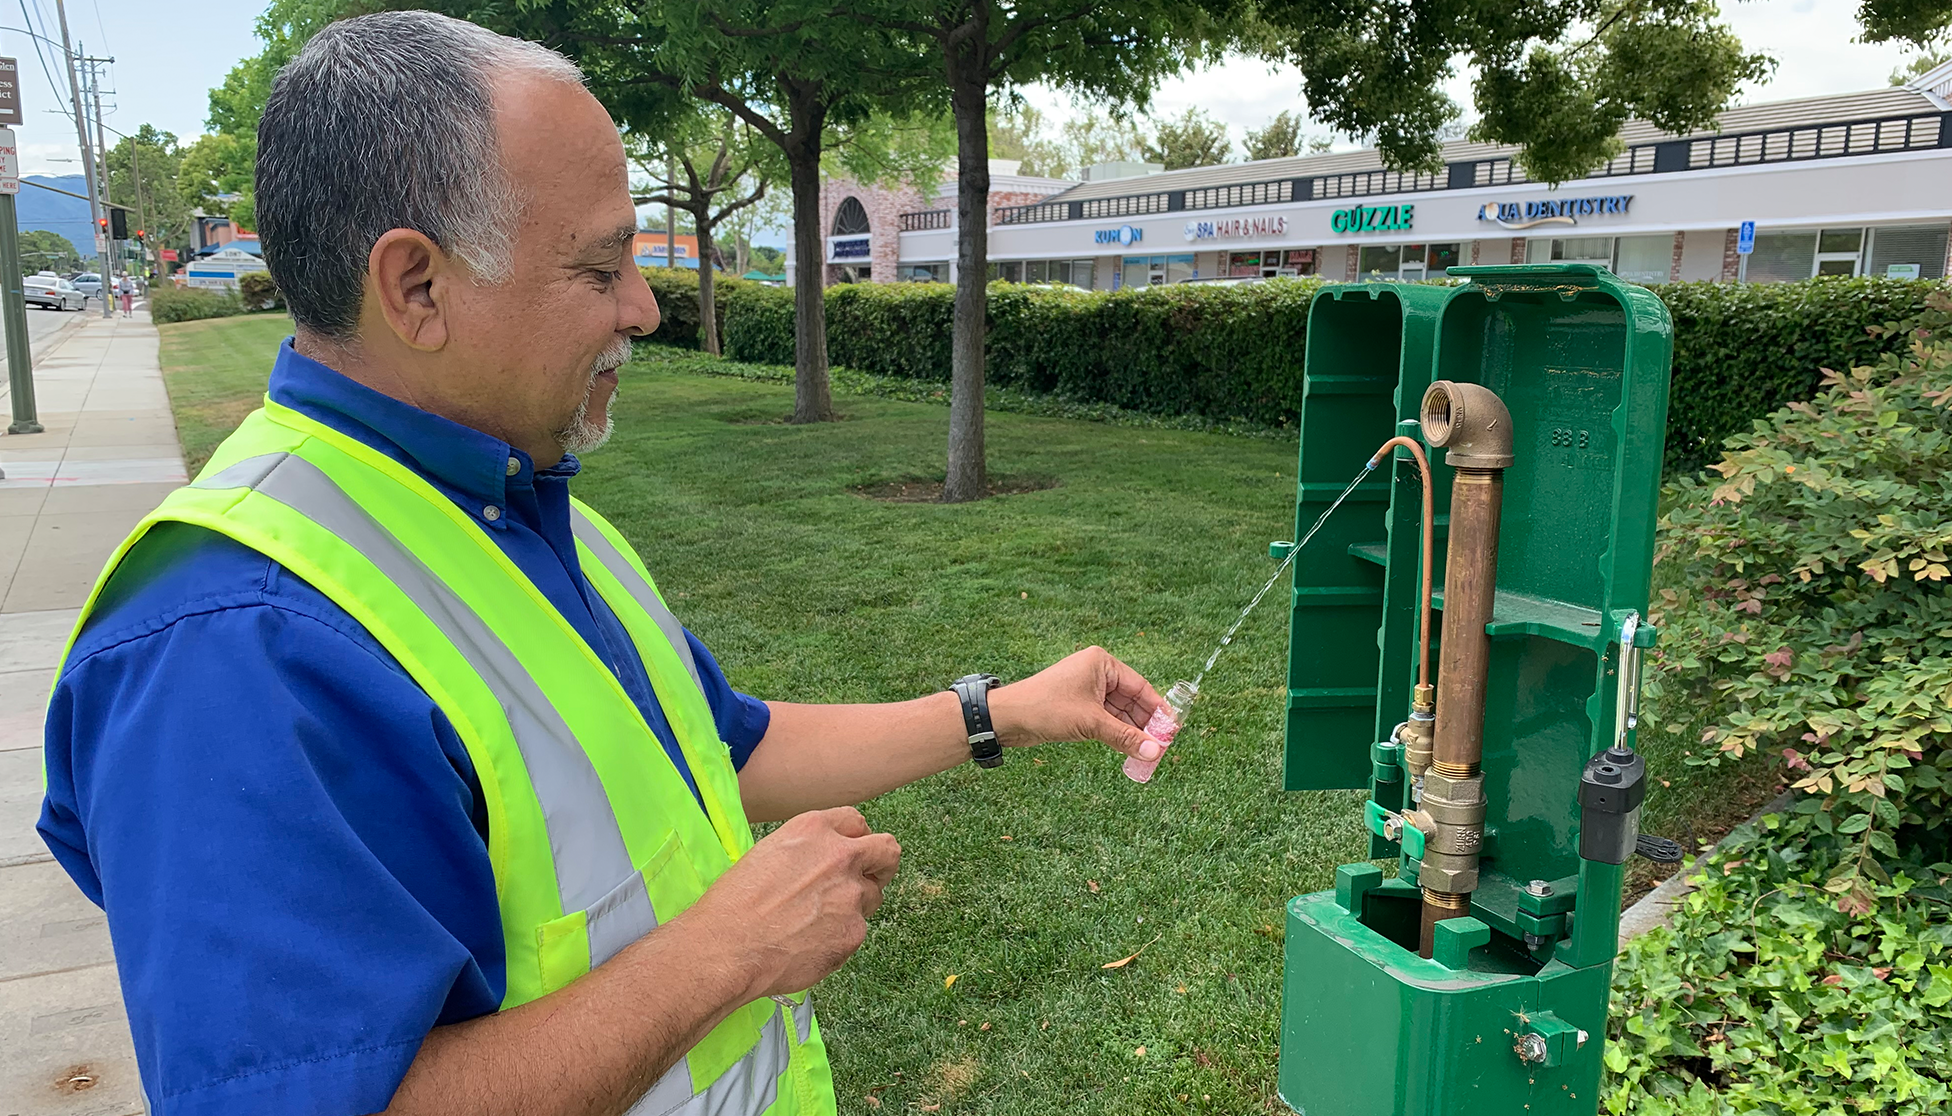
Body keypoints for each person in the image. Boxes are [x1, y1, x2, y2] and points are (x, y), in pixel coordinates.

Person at [36, 12, 1171, 1116]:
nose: (644, 307)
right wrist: (726, 953)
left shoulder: (511, 502)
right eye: (600, 266)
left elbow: (724, 745)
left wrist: (1005, 712)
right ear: (417, 287)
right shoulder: (236, 647)